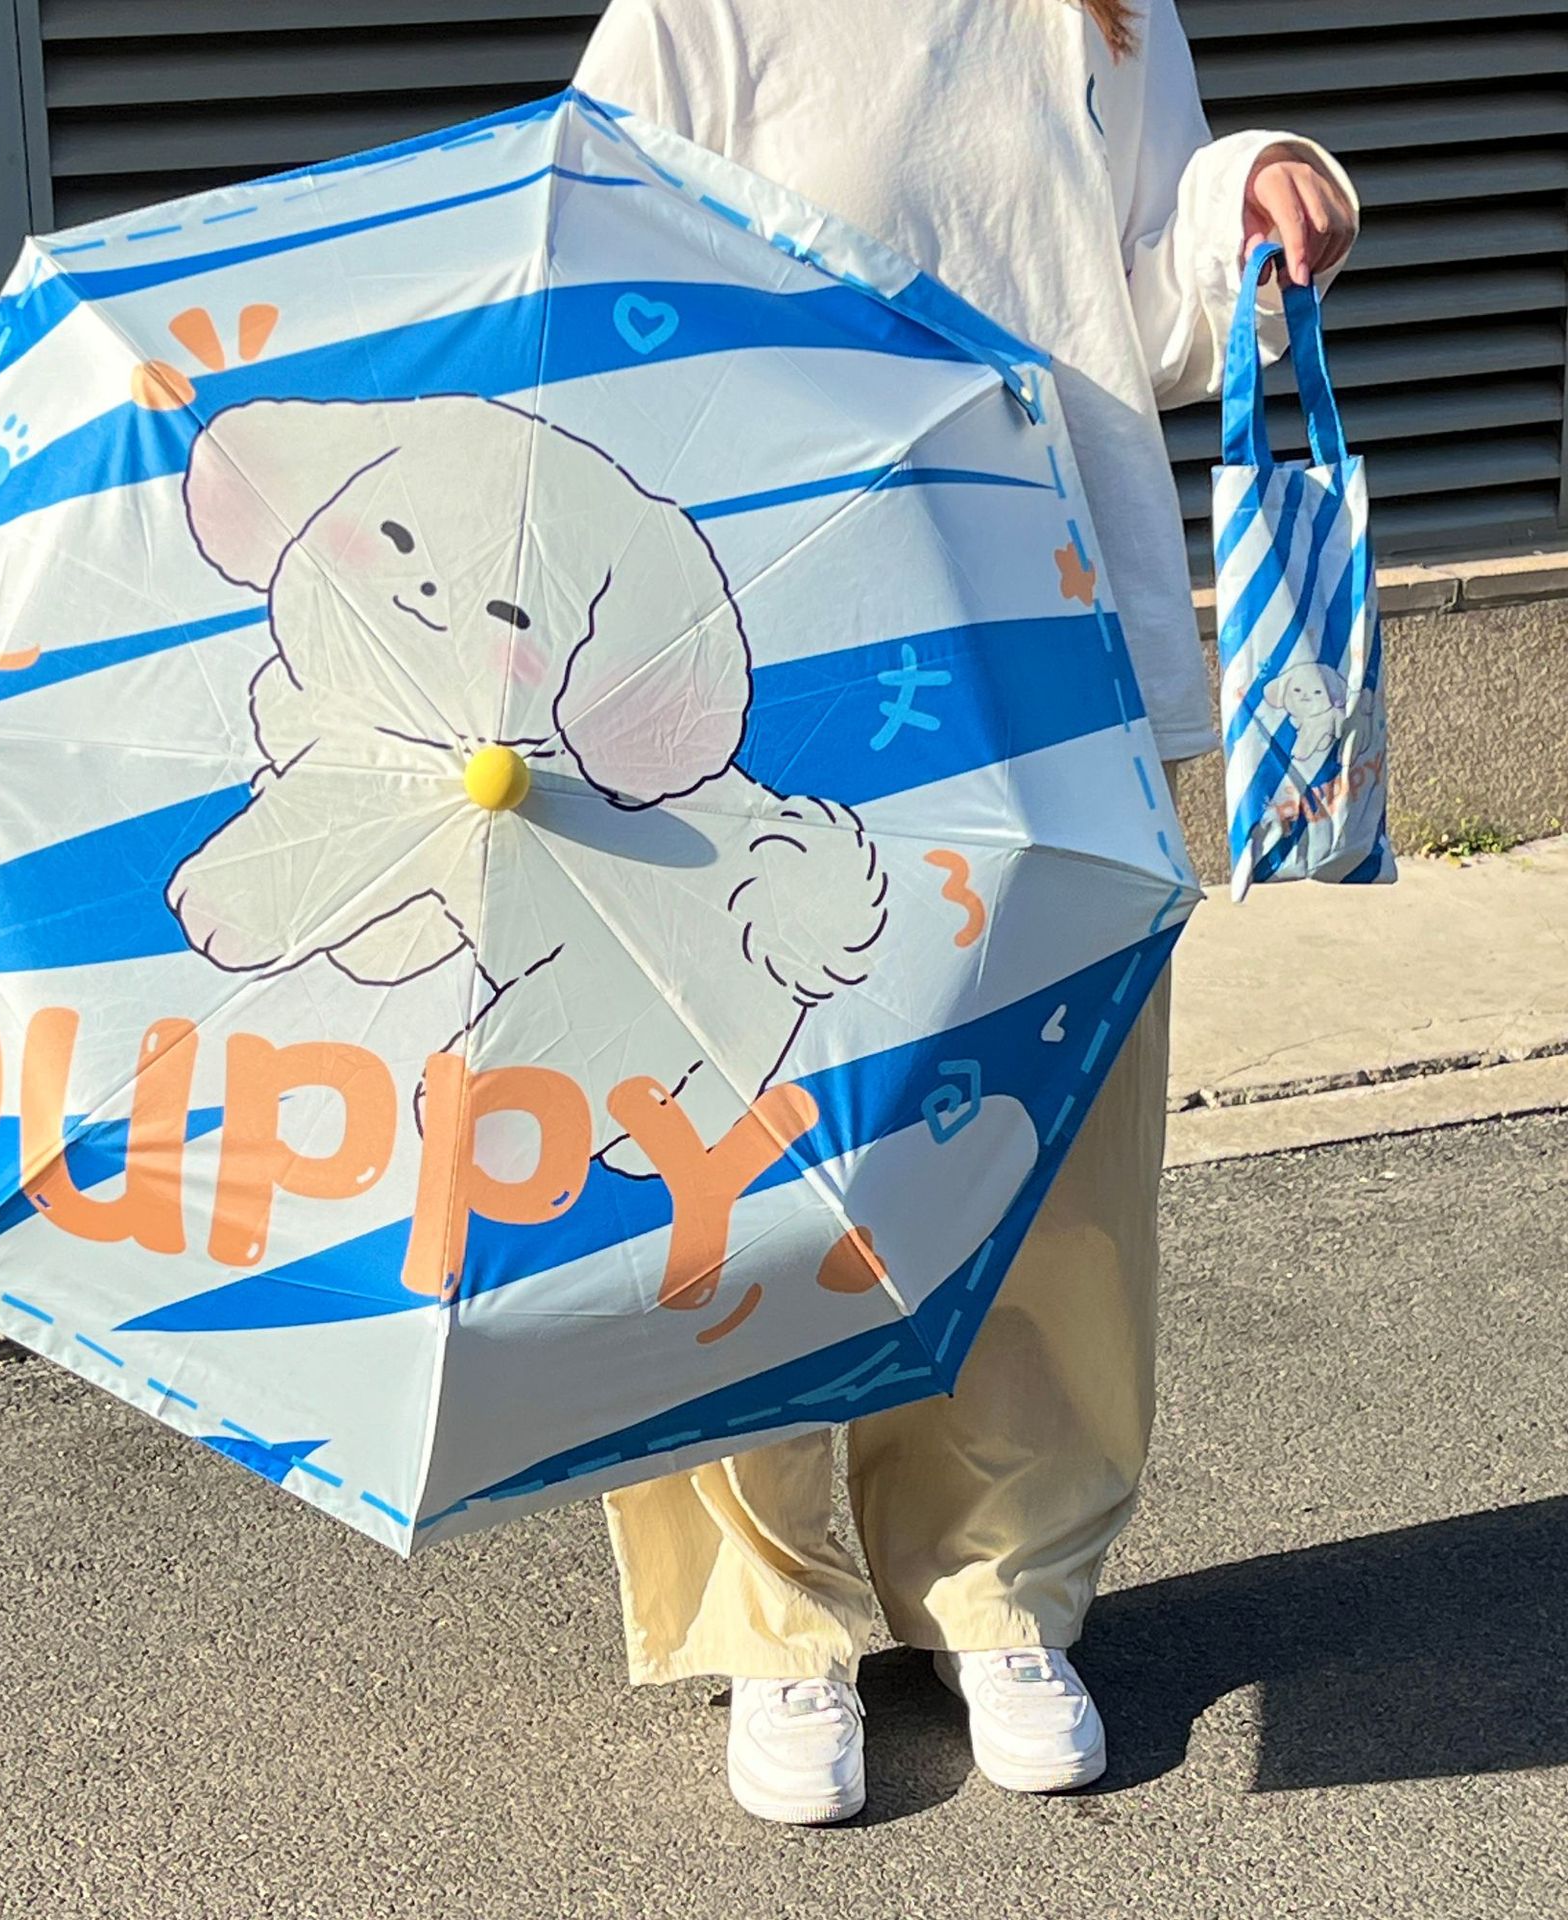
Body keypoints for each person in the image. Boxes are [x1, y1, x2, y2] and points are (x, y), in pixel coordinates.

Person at [573, 0, 1358, 1825]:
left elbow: (1142, 311)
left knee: (1049, 1134)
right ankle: (780, 1615)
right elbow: (591, 280)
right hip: (775, 663)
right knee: (760, 1142)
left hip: (1046, 633)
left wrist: (1256, 188)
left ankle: (999, 1580)